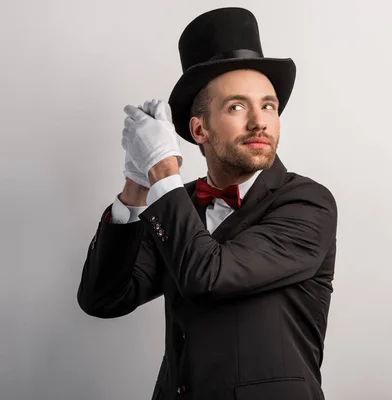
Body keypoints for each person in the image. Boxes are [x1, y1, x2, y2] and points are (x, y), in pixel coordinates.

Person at [77, 7, 338, 400]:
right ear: (199, 129)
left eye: (268, 106)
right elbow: (104, 299)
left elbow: (208, 275)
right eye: (237, 107)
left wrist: (163, 171)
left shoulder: (307, 203)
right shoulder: (177, 204)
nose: (259, 121)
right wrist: (135, 188)